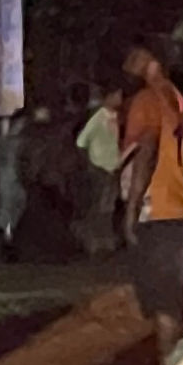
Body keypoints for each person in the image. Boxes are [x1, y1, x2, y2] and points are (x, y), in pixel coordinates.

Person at [121, 44, 183, 361]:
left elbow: (146, 152)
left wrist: (131, 209)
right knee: (171, 292)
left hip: (157, 207)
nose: (128, 65)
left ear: (151, 61)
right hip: (181, 203)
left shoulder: (146, 101)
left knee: (162, 297)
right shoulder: (179, 100)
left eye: (134, 57)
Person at [74, 86, 125, 251]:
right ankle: (95, 240)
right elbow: (81, 141)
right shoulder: (98, 117)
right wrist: (91, 163)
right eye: (117, 96)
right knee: (99, 206)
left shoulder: (116, 117)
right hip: (100, 167)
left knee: (108, 206)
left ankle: (104, 239)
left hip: (112, 167)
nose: (120, 99)